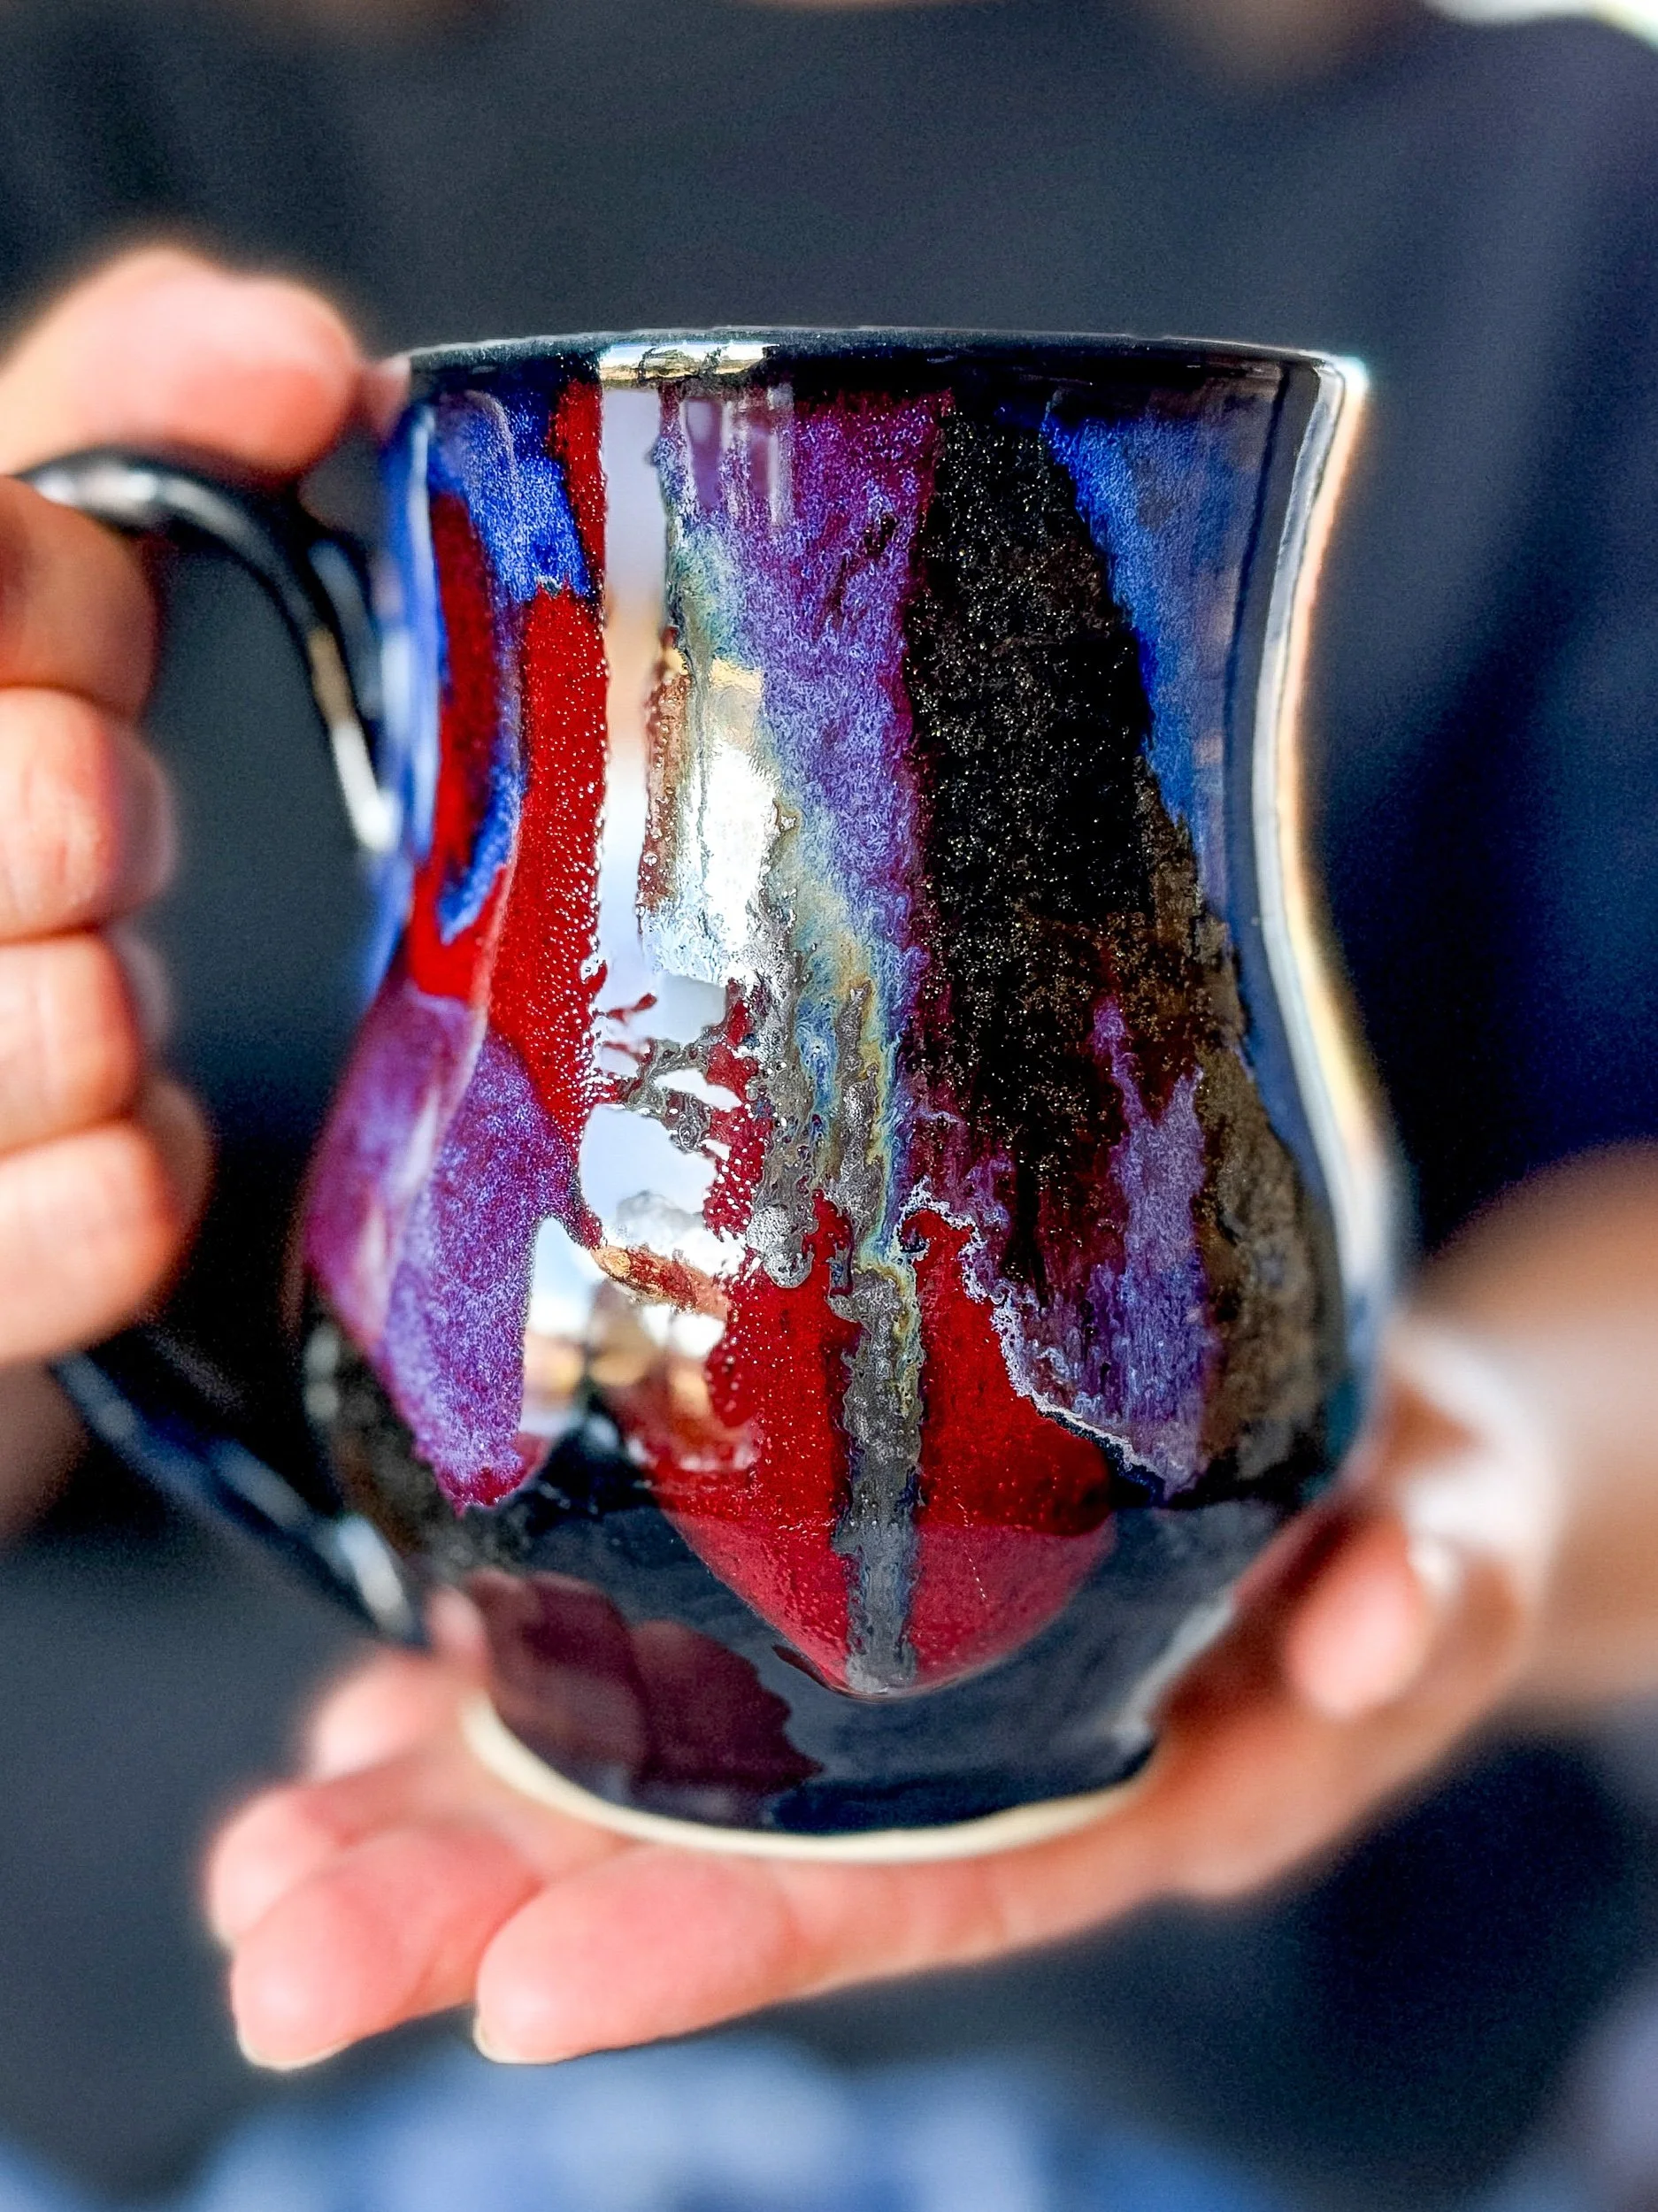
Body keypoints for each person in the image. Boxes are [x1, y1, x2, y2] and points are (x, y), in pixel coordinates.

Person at [0, 0, 1655, 2131]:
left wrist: (1488, 1487)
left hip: (1256, 2078)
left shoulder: (1562, 185)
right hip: (189, 2071)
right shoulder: (84, 100)